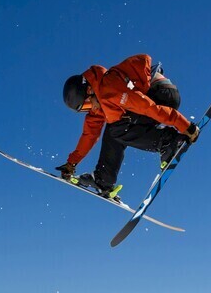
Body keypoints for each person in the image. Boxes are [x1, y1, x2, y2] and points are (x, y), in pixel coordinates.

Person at [55, 54, 200, 199]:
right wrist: (71, 163)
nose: (91, 108)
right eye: (85, 109)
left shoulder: (109, 87)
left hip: (161, 94)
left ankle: (167, 141)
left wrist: (186, 126)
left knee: (116, 129)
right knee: (114, 129)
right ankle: (103, 181)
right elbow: (89, 135)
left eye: (87, 104)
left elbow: (147, 107)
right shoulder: (99, 106)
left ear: (89, 90)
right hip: (154, 100)